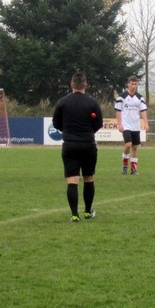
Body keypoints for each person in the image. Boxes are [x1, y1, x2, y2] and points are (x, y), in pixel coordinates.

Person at [52, 72, 104, 222]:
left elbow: (56, 123)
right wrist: (88, 132)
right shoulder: (92, 102)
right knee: (88, 178)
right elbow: (98, 123)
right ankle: (87, 212)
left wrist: (68, 131)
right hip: (88, 145)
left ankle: (74, 215)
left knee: (72, 180)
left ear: (71, 85)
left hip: (70, 145)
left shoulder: (63, 102)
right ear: (85, 85)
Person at [115, 76, 149, 175]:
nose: (133, 86)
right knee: (128, 144)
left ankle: (133, 170)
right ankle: (125, 165)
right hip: (126, 125)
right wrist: (119, 124)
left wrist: (146, 123)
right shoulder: (122, 97)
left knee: (134, 147)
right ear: (128, 84)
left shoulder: (140, 97)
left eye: (135, 84)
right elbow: (118, 111)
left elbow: (143, 111)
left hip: (135, 126)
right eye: (132, 84)